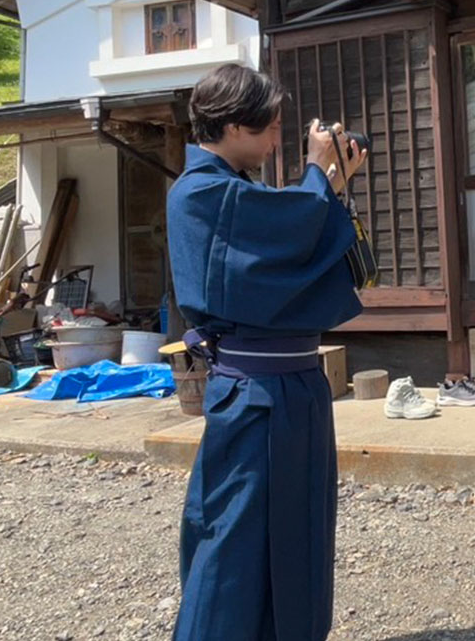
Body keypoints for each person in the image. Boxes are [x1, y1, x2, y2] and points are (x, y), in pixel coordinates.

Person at [166, 63, 367, 641]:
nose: (277, 140)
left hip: (291, 386)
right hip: (256, 393)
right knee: (236, 536)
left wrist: (326, 181)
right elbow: (290, 228)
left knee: (298, 525)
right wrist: (318, 175)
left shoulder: (233, 191)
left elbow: (288, 230)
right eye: (270, 128)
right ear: (232, 126)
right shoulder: (202, 192)